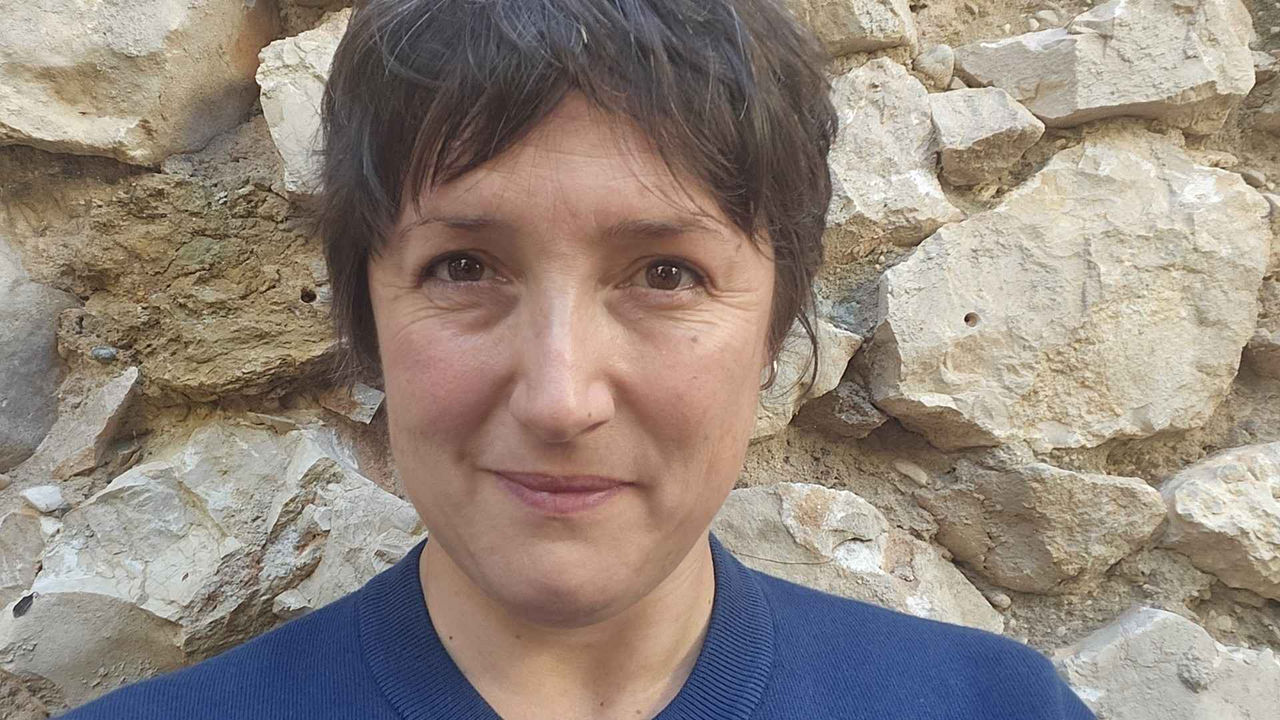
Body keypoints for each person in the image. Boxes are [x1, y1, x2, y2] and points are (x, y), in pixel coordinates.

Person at [60, 1, 1096, 718]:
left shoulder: (996, 709)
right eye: (464, 267)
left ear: (775, 333)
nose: (560, 400)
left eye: (666, 275)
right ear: (366, 321)